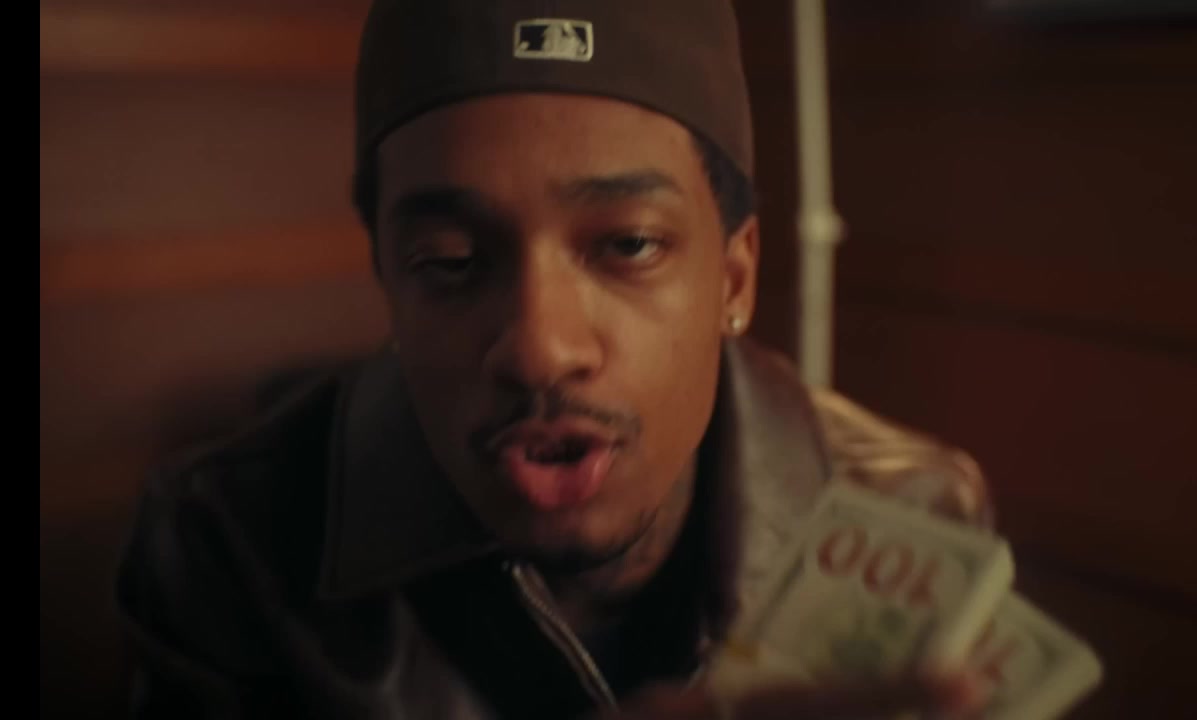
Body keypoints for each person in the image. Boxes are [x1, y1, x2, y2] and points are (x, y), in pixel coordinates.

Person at [115, 2, 995, 718]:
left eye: (629, 245)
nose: (540, 349)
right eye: (451, 261)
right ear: (388, 280)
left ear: (734, 278)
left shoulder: (910, 512)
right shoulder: (223, 544)